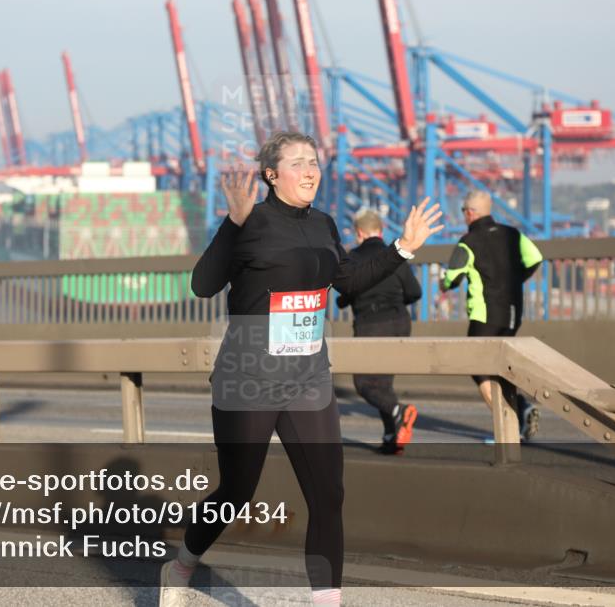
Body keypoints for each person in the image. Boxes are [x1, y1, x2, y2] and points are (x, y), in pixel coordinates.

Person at [159, 131, 442, 607]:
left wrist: (402, 249)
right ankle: (182, 564)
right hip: (248, 378)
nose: (311, 170)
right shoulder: (251, 222)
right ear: (271, 175)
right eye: (297, 163)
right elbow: (203, 285)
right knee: (236, 491)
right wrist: (233, 221)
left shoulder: (326, 224)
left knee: (328, 494)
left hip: (308, 378)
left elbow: (347, 279)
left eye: (314, 162)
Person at [439, 190, 543, 441]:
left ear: (471, 213)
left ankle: (511, 423)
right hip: (513, 312)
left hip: (485, 315)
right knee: (501, 368)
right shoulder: (512, 234)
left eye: (464, 211)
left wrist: (444, 284)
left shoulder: (469, 242)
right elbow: (535, 258)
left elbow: (452, 278)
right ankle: (519, 413)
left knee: (478, 369)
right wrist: (517, 279)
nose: (463, 215)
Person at [335, 208, 423, 454]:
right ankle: (391, 437)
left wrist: (347, 301)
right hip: (400, 323)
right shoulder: (392, 255)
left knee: (364, 383)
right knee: (383, 383)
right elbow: (415, 292)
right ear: (381, 231)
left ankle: (400, 412)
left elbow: (347, 292)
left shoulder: (353, 257)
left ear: (359, 232)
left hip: (371, 325)